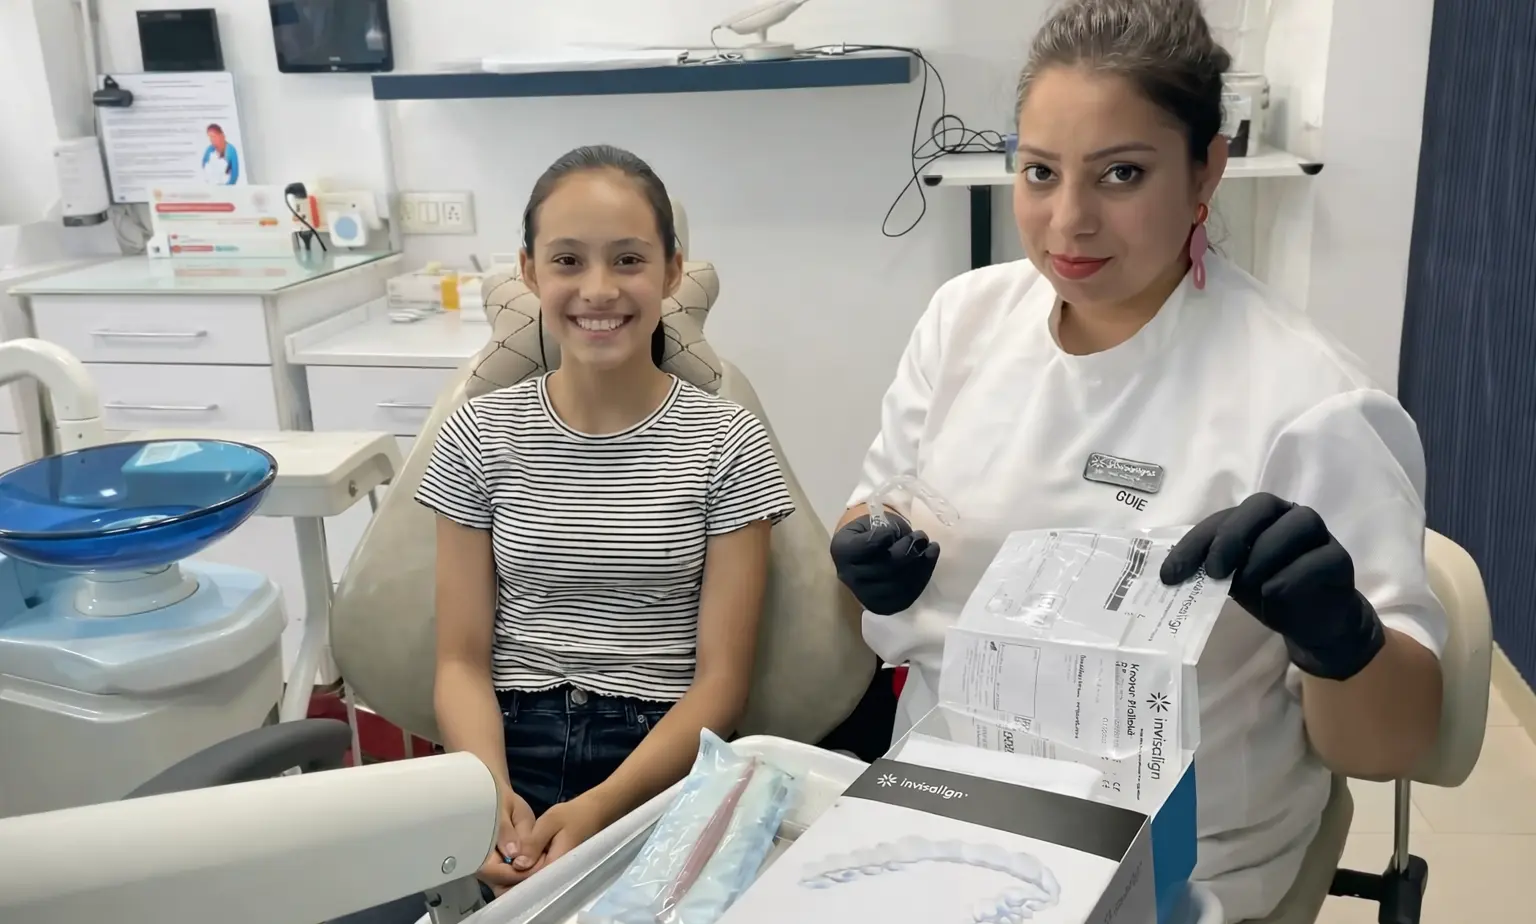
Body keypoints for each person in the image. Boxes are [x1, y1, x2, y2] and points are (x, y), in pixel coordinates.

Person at [828, 1, 1445, 920]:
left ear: (1209, 168)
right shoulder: (964, 322)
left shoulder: (1307, 401)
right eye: (1040, 172)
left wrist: (1340, 637)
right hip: (945, 800)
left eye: (1122, 173)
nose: (1068, 222)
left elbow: (1392, 743)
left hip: (1172, 850)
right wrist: (864, 550)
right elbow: (877, 505)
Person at [416, 145, 795, 896]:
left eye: (627, 260)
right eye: (567, 261)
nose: (598, 290)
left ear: (671, 272)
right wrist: (489, 798)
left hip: (655, 748)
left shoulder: (729, 443)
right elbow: (459, 661)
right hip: (504, 742)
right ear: (530, 273)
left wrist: (596, 810)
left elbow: (722, 683)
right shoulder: (476, 435)